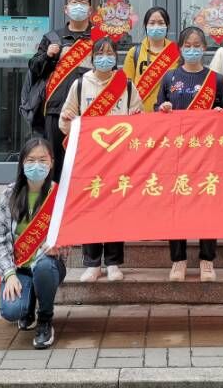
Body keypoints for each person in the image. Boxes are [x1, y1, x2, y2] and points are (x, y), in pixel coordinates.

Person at [60, 37, 143, 282]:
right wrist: (66, 119)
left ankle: (114, 263)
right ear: (92, 57)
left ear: (116, 57)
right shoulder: (79, 85)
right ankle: (92, 263)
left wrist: (137, 117)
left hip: (119, 158)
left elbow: (140, 121)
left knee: (116, 208)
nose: (104, 58)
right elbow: (65, 124)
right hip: (89, 158)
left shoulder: (126, 86)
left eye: (109, 53)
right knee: (91, 208)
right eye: (100, 53)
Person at [156, 26, 223, 283]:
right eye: (188, 45)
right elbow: (157, 110)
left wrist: (220, 113)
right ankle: (178, 260)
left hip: (207, 154)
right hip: (177, 154)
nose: (193, 49)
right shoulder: (170, 77)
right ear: (180, 48)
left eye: (197, 45)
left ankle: (207, 259)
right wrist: (163, 108)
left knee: (207, 205)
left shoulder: (215, 79)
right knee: (177, 205)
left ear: (205, 48)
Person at [0, 137, 66, 350]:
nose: (36, 165)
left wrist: (60, 245)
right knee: (11, 311)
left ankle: (45, 320)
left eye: (42, 160)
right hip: (19, 268)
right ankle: (27, 307)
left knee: (44, 268)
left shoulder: (58, 195)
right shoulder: (8, 195)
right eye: (31, 160)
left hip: (48, 266)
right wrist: (9, 274)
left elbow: (69, 232)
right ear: (22, 163)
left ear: (51, 162)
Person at [28, 0, 96, 181]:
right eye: (74, 2)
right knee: (56, 159)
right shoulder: (53, 38)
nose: (78, 6)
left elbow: (111, 70)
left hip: (91, 109)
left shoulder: (99, 38)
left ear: (90, 9)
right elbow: (34, 68)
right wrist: (48, 55)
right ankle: (55, 197)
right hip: (56, 109)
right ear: (66, 9)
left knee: (88, 159)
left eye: (82, 2)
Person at [123, 6, 179, 113]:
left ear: (167, 26)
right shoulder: (134, 53)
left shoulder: (177, 53)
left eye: (161, 23)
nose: (156, 26)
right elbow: (126, 87)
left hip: (168, 114)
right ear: (145, 26)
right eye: (152, 23)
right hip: (140, 114)